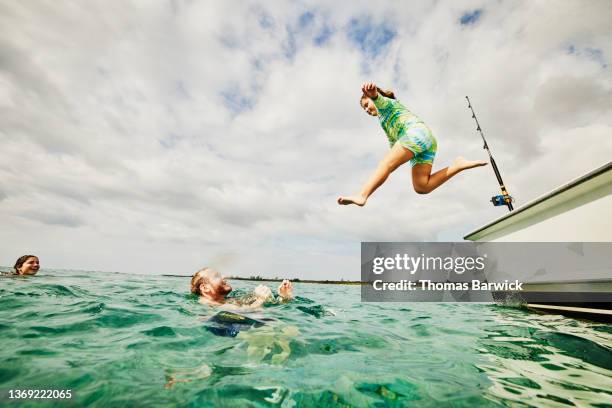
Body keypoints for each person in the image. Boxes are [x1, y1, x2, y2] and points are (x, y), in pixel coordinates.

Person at [338, 82, 488, 206]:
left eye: (366, 104)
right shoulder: (383, 121)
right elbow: (393, 140)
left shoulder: (388, 104)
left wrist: (374, 96)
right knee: (421, 186)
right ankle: (457, 165)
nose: (366, 109)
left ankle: (362, 195)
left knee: (385, 164)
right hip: (426, 143)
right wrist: (395, 155)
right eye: (363, 108)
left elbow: (381, 101)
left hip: (416, 134)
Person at [190, 267, 294, 308]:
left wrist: (284, 297)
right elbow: (245, 317)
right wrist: (260, 299)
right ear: (205, 288)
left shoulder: (229, 300)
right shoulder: (207, 307)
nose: (224, 277)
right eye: (217, 276)